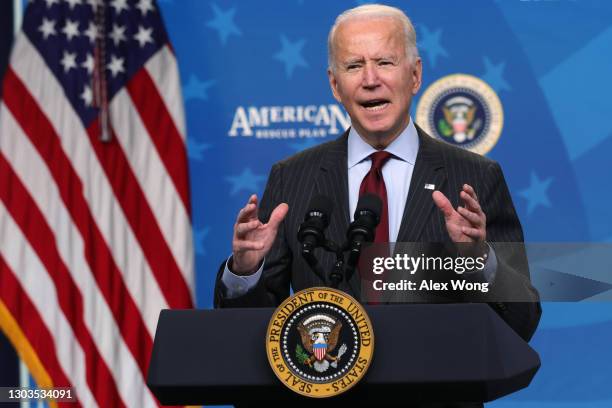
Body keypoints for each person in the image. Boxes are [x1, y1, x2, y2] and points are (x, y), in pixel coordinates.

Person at [214, 5, 540, 345]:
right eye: (354, 66)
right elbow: (247, 334)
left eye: (385, 62)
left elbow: (521, 321)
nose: (371, 80)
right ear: (335, 85)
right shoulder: (292, 178)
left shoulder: (474, 177)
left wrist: (479, 262)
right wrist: (246, 272)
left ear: (414, 76)